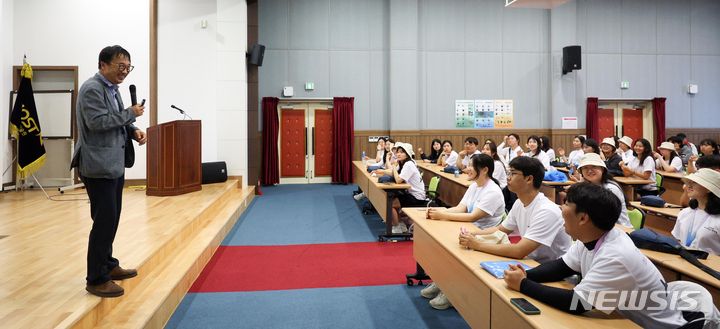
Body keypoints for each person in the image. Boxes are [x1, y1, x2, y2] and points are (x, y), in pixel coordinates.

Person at [503, 183, 693, 328]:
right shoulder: (593, 236)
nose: (561, 209)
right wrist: (525, 274)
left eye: (566, 203)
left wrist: (523, 284)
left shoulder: (616, 255)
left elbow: (577, 303)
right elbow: (562, 266)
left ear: (583, 218)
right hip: (624, 318)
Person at [71, 45, 146, 298]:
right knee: (103, 222)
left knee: (111, 219)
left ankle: (109, 265)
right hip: (98, 166)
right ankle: (96, 278)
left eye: (128, 67)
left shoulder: (112, 89)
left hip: (113, 164)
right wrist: (129, 114)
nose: (124, 72)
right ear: (102, 65)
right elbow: (98, 122)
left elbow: (118, 119)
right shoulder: (92, 89)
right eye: (120, 67)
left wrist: (133, 130)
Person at [422, 154, 506, 310]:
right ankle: (441, 281)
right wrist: (440, 213)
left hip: (483, 235)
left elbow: (473, 216)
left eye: (471, 166)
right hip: (469, 229)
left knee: (450, 249)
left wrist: (443, 215)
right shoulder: (475, 185)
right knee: (441, 241)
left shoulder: (493, 191)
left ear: (484, 170)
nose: (466, 169)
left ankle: (451, 291)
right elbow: (462, 208)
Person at [459, 157, 572, 264]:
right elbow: (500, 230)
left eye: (512, 173)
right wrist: (472, 234)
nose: (508, 177)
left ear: (529, 179)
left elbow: (519, 251)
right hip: (531, 261)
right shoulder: (519, 203)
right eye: (508, 173)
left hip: (553, 271)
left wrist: (477, 244)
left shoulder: (547, 211)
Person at [672, 168, 720, 255]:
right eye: (689, 183)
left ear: (709, 189)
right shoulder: (685, 213)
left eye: (694, 183)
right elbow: (677, 240)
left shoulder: (718, 219)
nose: (688, 186)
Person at [576, 153, 631, 228]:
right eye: (585, 168)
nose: (589, 171)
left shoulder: (610, 189)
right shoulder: (589, 187)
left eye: (594, 166)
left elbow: (602, 217)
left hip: (619, 229)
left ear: (602, 169)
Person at [389, 142, 427, 234]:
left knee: (390, 204)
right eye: (397, 152)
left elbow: (398, 180)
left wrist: (393, 167)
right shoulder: (403, 163)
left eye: (402, 152)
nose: (398, 154)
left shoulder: (408, 164)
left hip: (417, 197)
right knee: (392, 199)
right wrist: (380, 172)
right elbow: (394, 173)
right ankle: (401, 225)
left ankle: (397, 226)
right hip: (411, 193)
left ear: (407, 154)